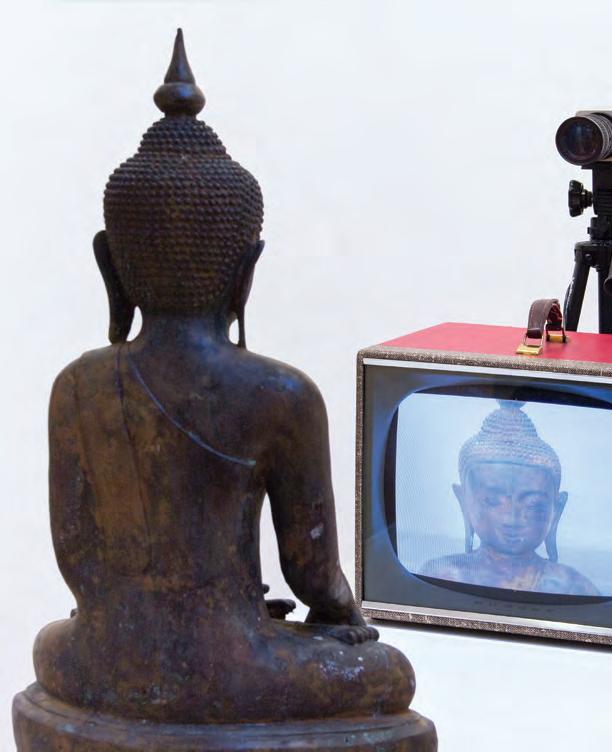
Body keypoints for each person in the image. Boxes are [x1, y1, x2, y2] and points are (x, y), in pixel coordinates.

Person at [30, 31, 426, 732]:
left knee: (46, 645)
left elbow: (79, 562)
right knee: (389, 674)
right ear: (247, 270)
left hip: (97, 662)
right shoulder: (280, 395)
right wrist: (339, 619)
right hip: (234, 665)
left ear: (110, 265)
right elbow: (314, 576)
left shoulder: (76, 388)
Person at [421, 400, 598, 596]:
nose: (512, 518)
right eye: (492, 501)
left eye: (533, 505)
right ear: (464, 501)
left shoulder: (573, 587)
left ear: (556, 510)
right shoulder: (442, 575)